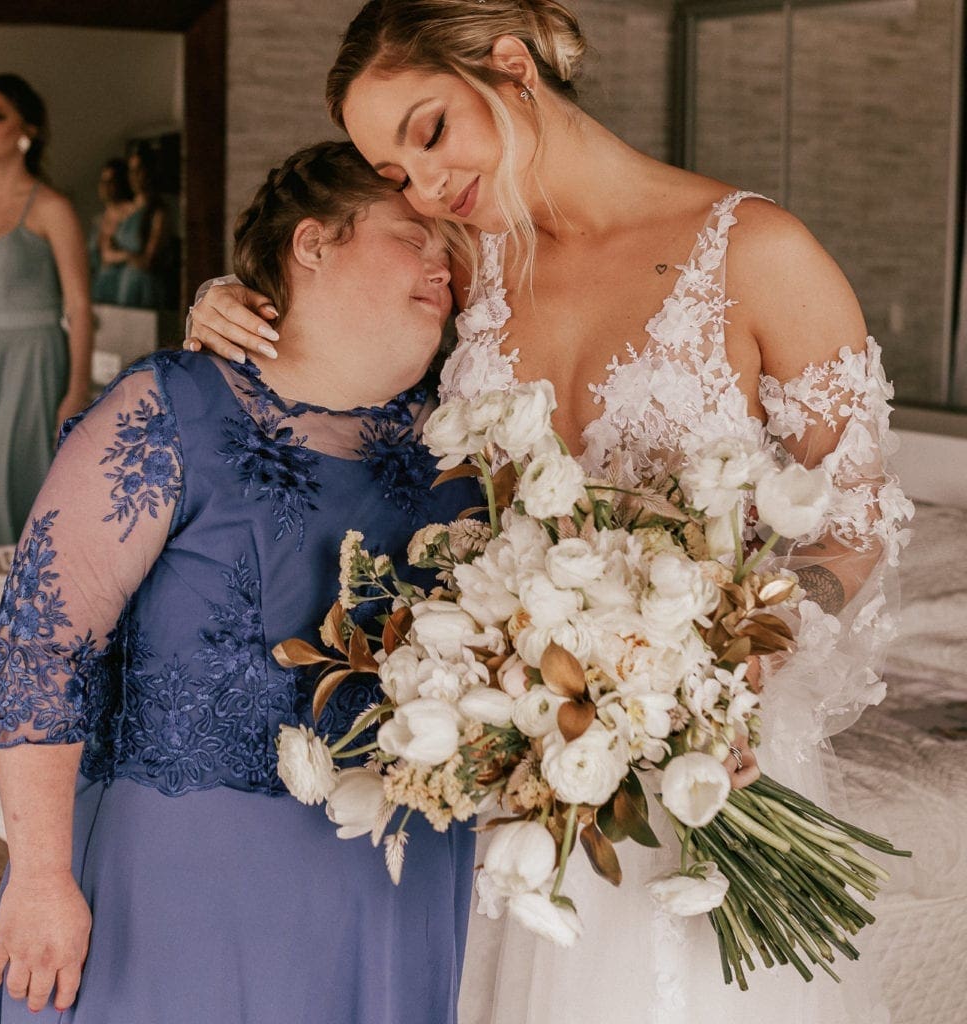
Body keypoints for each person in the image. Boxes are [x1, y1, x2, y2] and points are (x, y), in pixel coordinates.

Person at [187, 2, 914, 1022]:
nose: (428, 186)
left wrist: (740, 651)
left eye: (431, 131)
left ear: (511, 65)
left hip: (712, 759)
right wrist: (229, 301)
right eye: (395, 175)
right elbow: (337, 323)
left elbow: (859, 524)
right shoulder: (468, 264)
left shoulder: (759, 253)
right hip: (514, 763)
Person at [0, 139, 476, 1023]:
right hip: (174, 892)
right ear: (312, 244)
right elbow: (40, 641)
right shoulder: (171, 406)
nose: (446, 263)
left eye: (453, 246)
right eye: (413, 236)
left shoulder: (462, 445)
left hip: (396, 882)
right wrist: (42, 877)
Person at [0, 73, 93, 552]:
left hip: (31, 362)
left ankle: (20, 607)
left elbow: (80, 308)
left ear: (27, 129)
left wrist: (76, 392)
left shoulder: (51, 208)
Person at [100, 143, 170, 308]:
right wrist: (129, 256)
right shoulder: (125, 210)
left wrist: (122, 256)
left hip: (143, 288)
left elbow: (148, 260)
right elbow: (106, 253)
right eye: (131, 171)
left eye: (139, 170)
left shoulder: (157, 212)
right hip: (121, 286)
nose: (134, 176)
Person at [87, 157, 133, 304]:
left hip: (124, 287)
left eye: (110, 182)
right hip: (99, 288)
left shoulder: (131, 213)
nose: (105, 187)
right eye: (103, 182)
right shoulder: (98, 220)